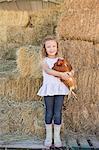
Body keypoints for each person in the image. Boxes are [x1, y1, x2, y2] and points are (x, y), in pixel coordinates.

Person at [37, 35, 74, 148]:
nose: (51, 48)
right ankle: (49, 136)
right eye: (48, 46)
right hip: (49, 89)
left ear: (57, 47)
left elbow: (71, 69)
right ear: (45, 48)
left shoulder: (61, 60)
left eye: (54, 46)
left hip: (59, 89)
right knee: (49, 112)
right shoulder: (44, 61)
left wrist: (70, 74)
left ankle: (56, 137)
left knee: (58, 113)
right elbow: (48, 71)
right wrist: (61, 74)